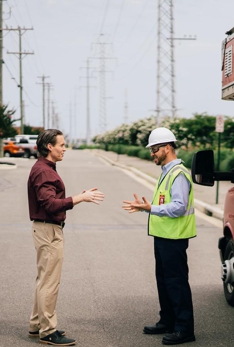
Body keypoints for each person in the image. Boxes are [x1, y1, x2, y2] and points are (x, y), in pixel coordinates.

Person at [27, 129, 105, 346]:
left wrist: (78, 197)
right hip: (48, 230)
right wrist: (80, 197)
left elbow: (51, 200)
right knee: (50, 282)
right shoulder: (44, 171)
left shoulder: (45, 168)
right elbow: (50, 205)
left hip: (46, 229)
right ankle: (48, 332)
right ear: (49, 147)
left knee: (44, 280)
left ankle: (37, 325)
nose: (64, 149)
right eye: (61, 145)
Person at [122, 127, 197, 345]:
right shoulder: (167, 172)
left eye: (155, 149)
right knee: (164, 281)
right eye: (151, 150)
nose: (152, 153)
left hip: (174, 238)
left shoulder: (178, 174)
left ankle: (184, 329)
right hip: (163, 237)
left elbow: (179, 207)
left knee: (176, 283)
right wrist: (148, 208)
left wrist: (150, 208)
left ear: (167, 148)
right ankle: (168, 320)